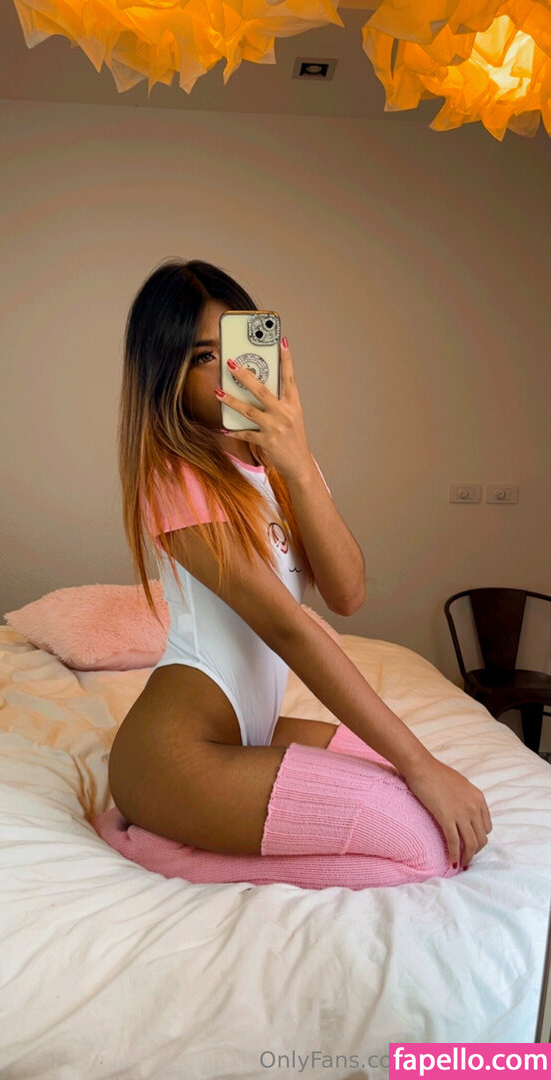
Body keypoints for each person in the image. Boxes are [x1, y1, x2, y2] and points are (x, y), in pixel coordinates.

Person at [91, 257, 493, 890]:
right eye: (201, 357)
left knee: (438, 819)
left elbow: (347, 594)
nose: (228, 371)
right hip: (174, 753)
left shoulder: (282, 466)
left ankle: (184, 828)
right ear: (165, 374)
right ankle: (150, 843)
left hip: (252, 734)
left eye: (232, 348)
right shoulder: (174, 476)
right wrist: (419, 764)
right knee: (420, 844)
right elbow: (289, 630)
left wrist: (299, 461)